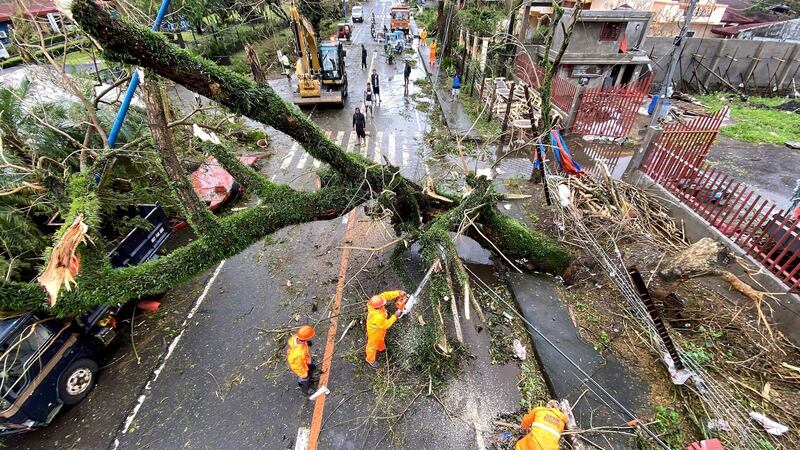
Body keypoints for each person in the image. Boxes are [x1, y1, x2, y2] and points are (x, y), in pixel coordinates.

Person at [365, 290, 408, 368]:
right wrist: (395, 316)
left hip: (379, 328)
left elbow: (386, 295)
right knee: (372, 345)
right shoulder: (378, 317)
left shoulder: (376, 301)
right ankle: (370, 360)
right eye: (382, 305)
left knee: (381, 338)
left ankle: (381, 348)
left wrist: (398, 293)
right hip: (374, 331)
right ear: (378, 307)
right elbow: (386, 325)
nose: (384, 305)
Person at [286, 325, 316, 395]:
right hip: (300, 366)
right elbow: (297, 366)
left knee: (310, 368)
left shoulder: (297, 338)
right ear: (305, 339)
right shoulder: (298, 353)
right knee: (304, 379)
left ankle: (309, 378)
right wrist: (303, 374)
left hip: (304, 360)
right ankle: (306, 389)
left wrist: (306, 344)